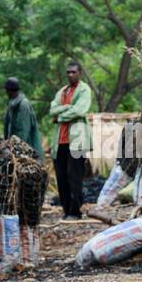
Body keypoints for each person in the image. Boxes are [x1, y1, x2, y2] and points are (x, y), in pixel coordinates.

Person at [49, 61, 92, 219]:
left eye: (73, 72)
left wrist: (60, 116)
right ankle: (67, 211)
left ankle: (76, 211)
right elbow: (51, 109)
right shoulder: (62, 91)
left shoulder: (84, 89)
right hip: (60, 140)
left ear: (80, 73)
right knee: (62, 177)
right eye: (68, 72)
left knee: (75, 177)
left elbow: (80, 110)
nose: (70, 75)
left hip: (77, 140)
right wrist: (67, 108)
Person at [2, 77, 42, 158]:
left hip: (27, 150)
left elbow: (23, 131)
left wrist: (18, 150)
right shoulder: (12, 104)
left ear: (10, 91)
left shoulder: (23, 105)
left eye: (7, 90)